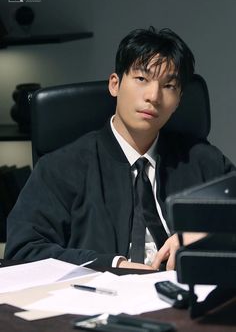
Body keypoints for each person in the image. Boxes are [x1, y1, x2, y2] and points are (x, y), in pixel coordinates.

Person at [5, 27, 235, 270]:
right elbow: (24, 248)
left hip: (186, 297)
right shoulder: (60, 167)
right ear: (115, 84)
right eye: (142, 79)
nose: (153, 96)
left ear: (178, 100)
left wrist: (203, 235)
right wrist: (113, 265)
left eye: (169, 86)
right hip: (97, 301)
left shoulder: (201, 159)